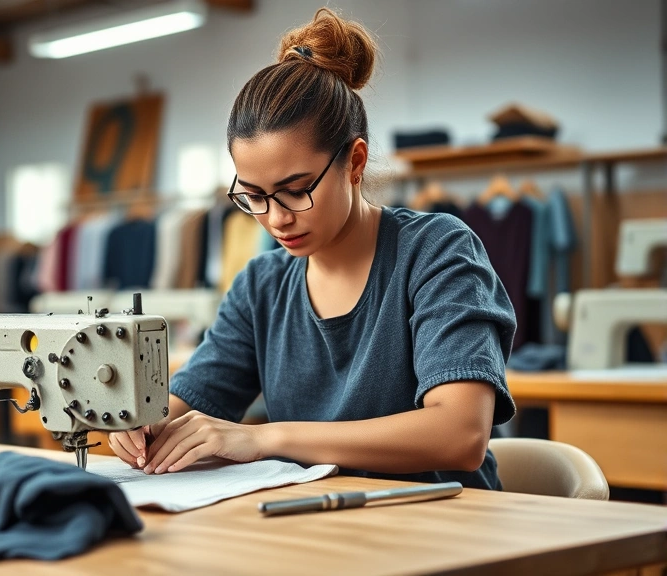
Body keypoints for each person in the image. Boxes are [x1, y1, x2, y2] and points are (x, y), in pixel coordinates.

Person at [108, 7, 517, 490]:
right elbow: (188, 400)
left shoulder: (436, 252)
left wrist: (266, 438)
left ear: (355, 162)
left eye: (296, 189)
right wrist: (141, 424)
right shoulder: (261, 287)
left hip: (449, 527)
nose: (276, 218)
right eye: (254, 196)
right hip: (319, 524)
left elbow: (459, 434)